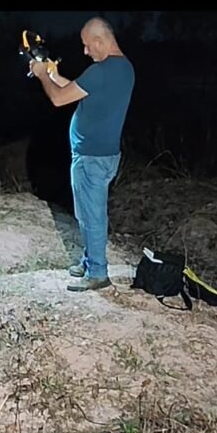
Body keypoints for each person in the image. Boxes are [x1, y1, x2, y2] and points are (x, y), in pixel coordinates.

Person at [29, 17, 135, 292]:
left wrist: (41, 75)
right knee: (86, 212)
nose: (86, 52)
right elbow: (75, 90)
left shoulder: (99, 72)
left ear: (100, 41)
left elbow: (59, 98)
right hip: (104, 155)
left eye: (88, 46)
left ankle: (98, 272)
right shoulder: (123, 69)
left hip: (91, 158)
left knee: (92, 214)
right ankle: (89, 262)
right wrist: (52, 73)